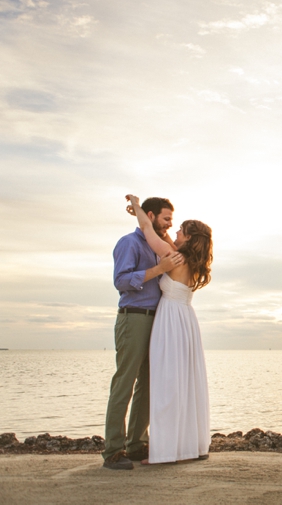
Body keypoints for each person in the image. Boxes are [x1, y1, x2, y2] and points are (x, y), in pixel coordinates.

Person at [125, 194, 213, 465]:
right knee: (184, 383)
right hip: (186, 321)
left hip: (171, 322)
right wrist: (141, 214)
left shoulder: (172, 257)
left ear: (187, 238)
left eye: (180, 231)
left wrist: (138, 207)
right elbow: (156, 232)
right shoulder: (195, 263)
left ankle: (165, 450)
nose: (175, 232)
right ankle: (187, 445)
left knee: (166, 384)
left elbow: (147, 230)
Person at [103, 197, 185, 470]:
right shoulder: (129, 243)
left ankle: (136, 444)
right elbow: (122, 281)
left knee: (149, 384)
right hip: (134, 318)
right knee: (124, 382)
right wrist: (158, 270)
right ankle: (113, 450)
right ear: (151, 216)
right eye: (166, 219)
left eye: (172, 220)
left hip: (157, 322)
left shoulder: (157, 244)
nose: (170, 224)